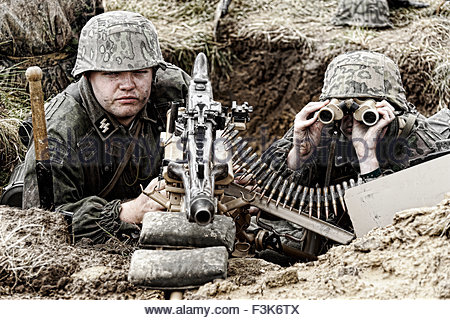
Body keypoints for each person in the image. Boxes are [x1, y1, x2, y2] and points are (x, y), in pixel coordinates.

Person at [22, 11, 190, 244]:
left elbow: (213, 134)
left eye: (140, 72)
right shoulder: (59, 131)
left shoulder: (174, 92)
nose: (128, 85)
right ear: (88, 75)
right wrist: (127, 213)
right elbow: (41, 221)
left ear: (153, 71)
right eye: (112, 74)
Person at [258, 50, 443, 246]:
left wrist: (367, 157)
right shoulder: (322, 128)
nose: (350, 120)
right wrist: (300, 152)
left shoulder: (420, 142)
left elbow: (398, 231)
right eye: (342, 109)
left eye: (361, 109)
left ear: (390, 108)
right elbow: (270, 202)